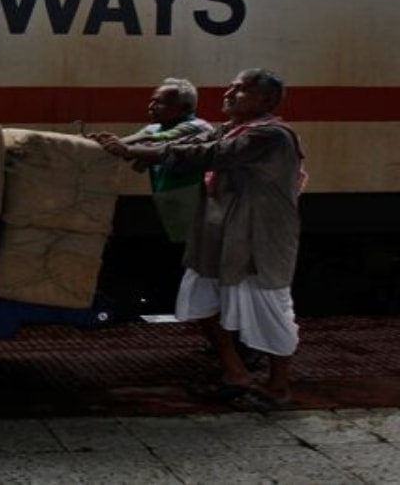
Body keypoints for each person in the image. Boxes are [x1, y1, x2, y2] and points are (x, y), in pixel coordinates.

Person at [93, 69, 306, 411]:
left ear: (265, 101)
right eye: (232, 87)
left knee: (269, 311)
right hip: (220, 236)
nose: (229, 93)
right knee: (200, 299)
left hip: (256, 240)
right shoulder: (231, 130)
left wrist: (138, 151)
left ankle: (278, 387)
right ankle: (235, 373)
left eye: (241, 90)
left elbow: (208, 154)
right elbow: (189, 146)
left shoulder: (271, 135)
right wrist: (128, 147)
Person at [112, 78, 213, 243]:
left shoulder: (197, 126)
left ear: (185, 108)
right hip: (166, 196)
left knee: (196, 244)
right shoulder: (154, 127)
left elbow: (155, 139)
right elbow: (128, 152)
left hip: (191, 195)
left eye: (160, 103)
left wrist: (120, 143)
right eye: (151, 101)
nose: (151, 107)